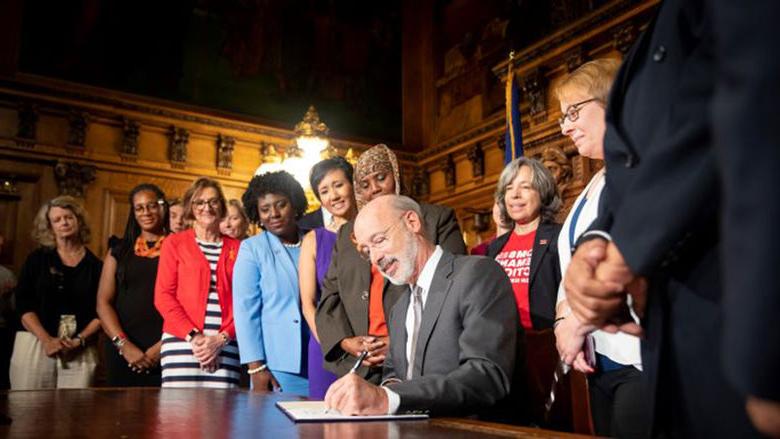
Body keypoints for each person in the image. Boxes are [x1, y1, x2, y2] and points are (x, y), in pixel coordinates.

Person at [562, 1, 780, 436]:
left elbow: (755, 114)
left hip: (738, 323)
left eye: (572, 113)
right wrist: (598, 241)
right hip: (676, 341)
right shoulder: (656, 31)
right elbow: (637, 171)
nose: (564, 127)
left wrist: (766, 356)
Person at [324, 195, 518, 416]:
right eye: (367, 251)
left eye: (378, 240)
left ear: (412, 222)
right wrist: (382, 394)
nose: (375, 258)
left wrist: (389, 398)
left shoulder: (477, 274)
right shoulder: (399, 309)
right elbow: (393, 374)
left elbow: (487, 376)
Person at [316, 144, 466, 383]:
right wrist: (345, 341)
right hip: (360, 365)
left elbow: (452, 290)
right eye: (364, 185)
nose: (374, 189)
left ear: (396, 176)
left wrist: (399, 341)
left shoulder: (435, 219)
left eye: (381, 178)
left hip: (418, 360)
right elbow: (330, 297)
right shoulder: (347, 234)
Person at [552, 58, 646, 438]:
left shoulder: (646, 170)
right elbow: (571, 267)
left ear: (614, 100)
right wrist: (563, 321)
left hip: (642, 360)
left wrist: (578, 321)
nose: (566, 126)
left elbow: (636, 258)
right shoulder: (593, 186)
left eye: (573, 112)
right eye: (562, 117)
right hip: (599, 362)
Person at [154, 177, 241, 388]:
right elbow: (163, 296)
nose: (206, 208)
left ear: (221, 206)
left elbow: (246, 302)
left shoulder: (239, 248)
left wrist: (220, 340)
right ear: (191, 208)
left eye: (213, 202)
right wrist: (195, 338)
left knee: (222, 416)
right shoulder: (174, 244)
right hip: (182, 344)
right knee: (178, 416)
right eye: (199, 202)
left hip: (226, 345)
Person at [10, 196, 102, 389]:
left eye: (68, 217)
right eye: (57, 220)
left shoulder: (96, 266)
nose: (64, 223)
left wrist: (80, 340)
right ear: (49, 227)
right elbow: (23, 304)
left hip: (80, 348)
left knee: (74, 415)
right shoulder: (37, 259)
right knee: (30, 412)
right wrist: (47, 340)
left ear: (79, 220)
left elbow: (102, 310)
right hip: (35, 342)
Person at [233, 171, 310, 396]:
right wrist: (255, 367)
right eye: (265, 209)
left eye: (281, 205)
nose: (273, 214)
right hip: (279, 365)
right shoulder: (252, 249)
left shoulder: (317, 240)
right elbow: (245, 310)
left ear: (294, 204)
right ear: (257, 214)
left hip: (322, 359)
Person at [96, 184, 168, 386]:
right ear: (133, 212)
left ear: (162, 207)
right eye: (139, 208)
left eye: (152, 206)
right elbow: (103, 303)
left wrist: (162, 347)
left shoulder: (178, 248)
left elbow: (189, 305)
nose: (146, 212)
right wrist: (123, 345)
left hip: (166, 348)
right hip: (123, 350)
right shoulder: (118, 250)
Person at [298, 157, 357, 399]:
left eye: (338, 185)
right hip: (326, 347)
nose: (333, 195)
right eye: (324, 191)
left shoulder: (374, 231)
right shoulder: (314, 239)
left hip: (370, 345)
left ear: (353, 184)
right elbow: (308, 303)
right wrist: (331, 342)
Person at [486, 157, 562, 330]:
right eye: (509, 188)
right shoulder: (494, 247)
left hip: (545, 342)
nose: (514, 195)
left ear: (543, 192)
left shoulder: (560, 237)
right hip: (501, 343)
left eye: (525, 187)